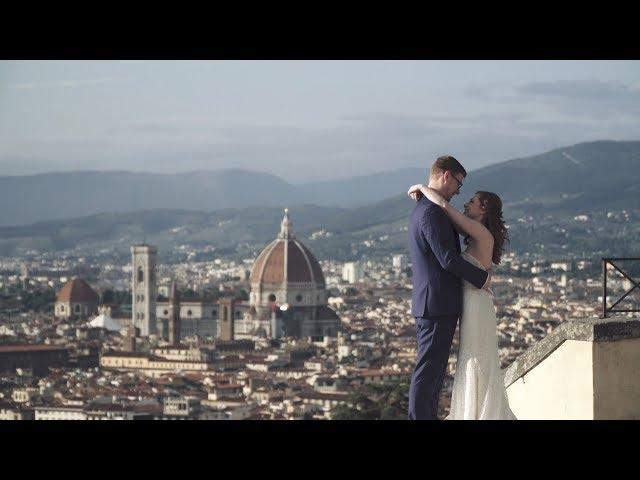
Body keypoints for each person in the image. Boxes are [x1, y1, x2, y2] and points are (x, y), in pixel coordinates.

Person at [407, 180, 516, 420]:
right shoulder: (476, 233)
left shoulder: (479, 231)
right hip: (472, 303)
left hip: (475, 304)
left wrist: (423, 188)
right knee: (473, 357)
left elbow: (445, 207)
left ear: (483, 209)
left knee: (474, 358)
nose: (465, 203)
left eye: (472, 201)